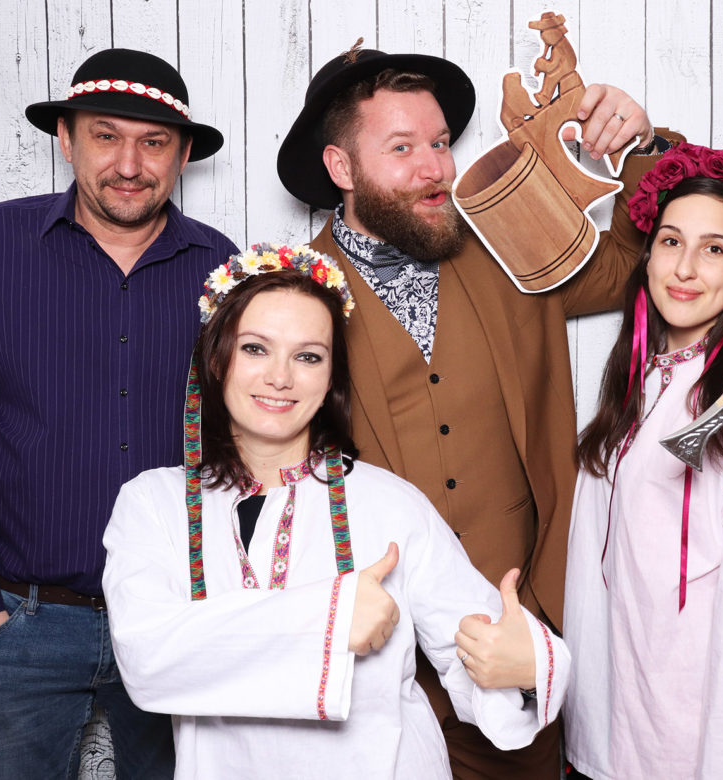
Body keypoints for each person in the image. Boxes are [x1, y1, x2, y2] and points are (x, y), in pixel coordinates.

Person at [275, 41, 680, 777]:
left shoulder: (507, 242)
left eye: (439, 143)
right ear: (341, 168)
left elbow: (633, 267)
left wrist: (644, 148)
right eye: (403, 148)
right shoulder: (288, 297)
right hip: (374, 678)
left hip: (518, 648)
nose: (435, 167)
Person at [102, 246, 568, 779]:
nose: (280, 377)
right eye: (255, 348)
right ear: (216, 360)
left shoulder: (390, 503)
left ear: (329, 380)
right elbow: (147, 660)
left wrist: (526, 669)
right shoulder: (152, 505)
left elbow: (487, 650)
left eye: (308, 357)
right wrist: (333, 617)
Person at [0, 48, 237, 777]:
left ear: (184, 154)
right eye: (105, 136)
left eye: (153, 142)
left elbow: (241, 437)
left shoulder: (221, 267)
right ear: (66, 139)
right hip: (20, 624)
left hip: (176, 619)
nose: (129, 164)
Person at [563, 144, 723, 779]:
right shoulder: (637, 379)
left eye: (714, 249)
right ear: (647, 255)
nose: (685, 268)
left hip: (699, 732)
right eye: (671, 242)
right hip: (616, 711)